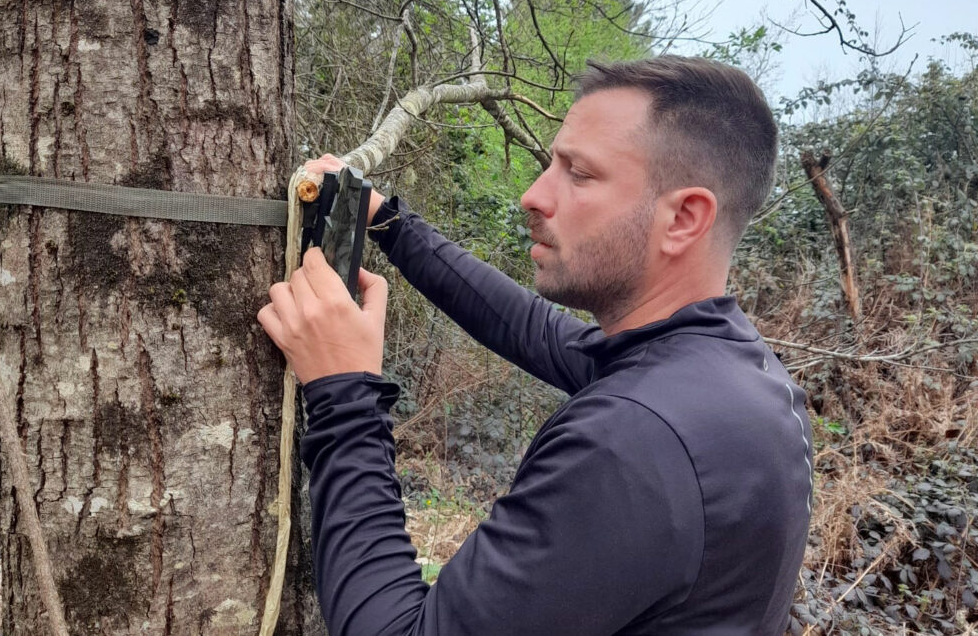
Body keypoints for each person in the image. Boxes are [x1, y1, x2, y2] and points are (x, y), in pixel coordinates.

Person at [258, 56, 813, 635]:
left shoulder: (632, 442)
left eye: (579, 173)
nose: (532, 195)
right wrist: (391, 224)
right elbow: (534, 328)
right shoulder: (733, 373)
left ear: (683, 218)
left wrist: (343, 393)